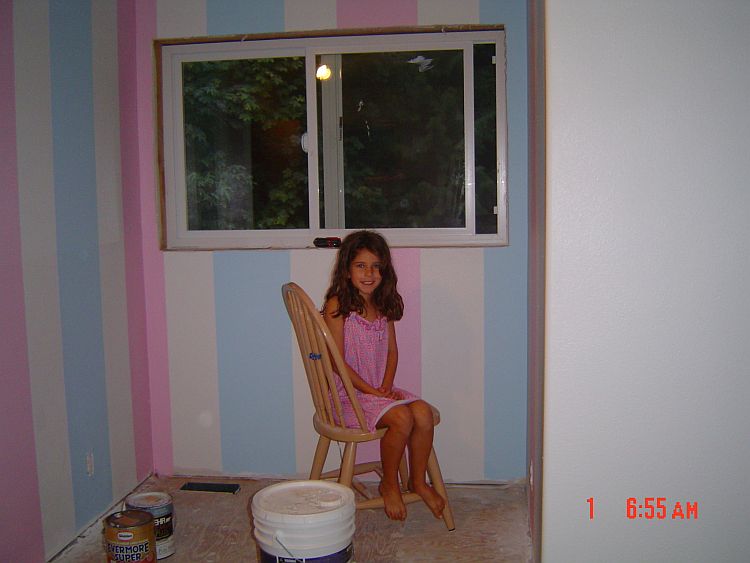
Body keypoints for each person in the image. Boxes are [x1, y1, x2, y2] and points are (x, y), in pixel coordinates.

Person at [322, 230, 445, 522]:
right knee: (402, 418)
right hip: (347, 396)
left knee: (423, 413)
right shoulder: (338, 305)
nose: (369, 273)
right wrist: (372, 391)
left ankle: (417, 481)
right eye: (361, 266)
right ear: (347, 270)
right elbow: (337, 364)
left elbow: (392, 351)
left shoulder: (382, 303)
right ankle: (389, 483)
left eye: (376, 266)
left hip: (378, 391)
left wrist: (386, 385)